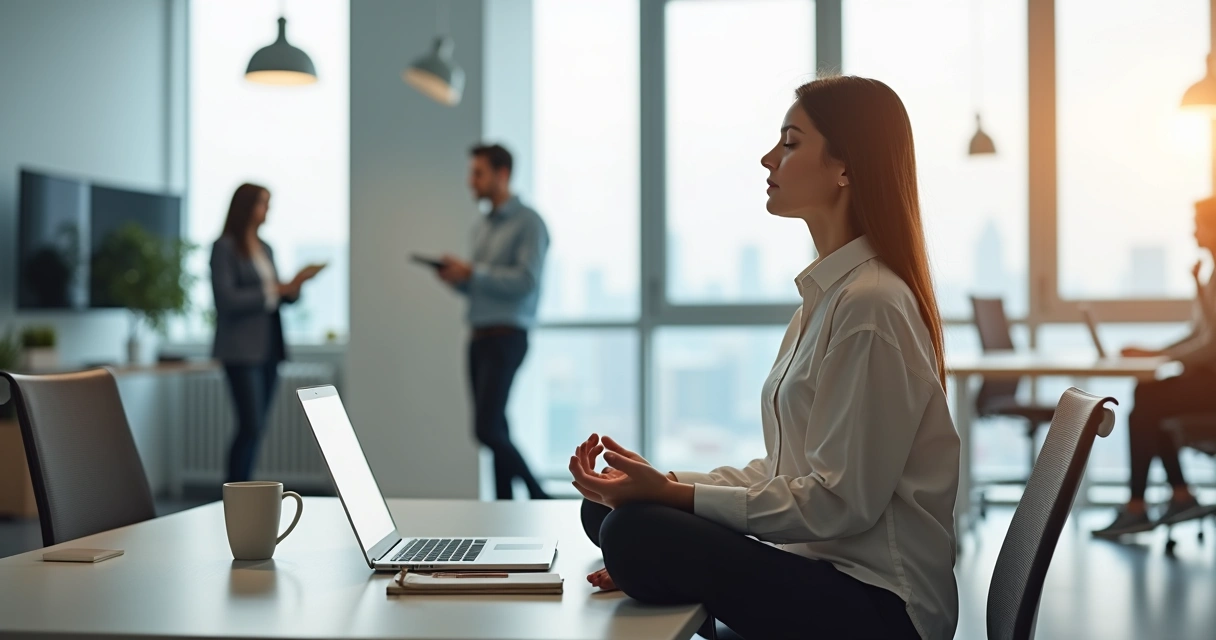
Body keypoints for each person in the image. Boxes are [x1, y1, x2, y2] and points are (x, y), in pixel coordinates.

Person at [570, 76, 959, 640]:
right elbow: (785, 473)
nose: (767, 157)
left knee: (634, 533)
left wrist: (672, 500)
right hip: (819, 571)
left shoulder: (870, 306)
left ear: (845, 168)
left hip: (879, 610)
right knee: (607, 512)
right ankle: (658, 561)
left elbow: (838, 505)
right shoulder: (827, 299)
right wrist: (664, 481)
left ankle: (657, 565)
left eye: (791, 142)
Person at [1093, 197, 1216, 538]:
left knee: (1149, 400)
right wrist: (1157, 352)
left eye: (1199, 225)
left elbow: (1211, 344)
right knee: (1150, 398)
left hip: (1212, 385)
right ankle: (1179, 495)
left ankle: (1138, 506)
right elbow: (1201, 333)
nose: (1193, 233)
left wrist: (1162, 357)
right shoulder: (1211, 274)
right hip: (1206, 380)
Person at [435, 144, 551, 500]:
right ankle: (506, 507)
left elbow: (526, 282)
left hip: (507, 336)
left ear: (502, 174)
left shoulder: (529, 223)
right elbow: (482, 288)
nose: (471, 181)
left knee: (486, 430)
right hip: (479, 336)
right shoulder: (482, 227)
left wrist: (475, 272)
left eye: (478, 173)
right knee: (496, 426)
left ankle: (539, 494)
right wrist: (460, 281)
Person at [211, 183, 323, 483]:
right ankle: (236, 494)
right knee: (250, 425)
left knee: (258, 427)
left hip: (269, 348)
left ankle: (248, 494)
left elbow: (277, 298)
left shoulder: (266, 248)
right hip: (240, 350)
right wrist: (273, 290)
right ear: (246, 207)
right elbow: (227, 299)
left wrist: (294, 287)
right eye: (263, 204)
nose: (268, 210)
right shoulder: (224, 247)